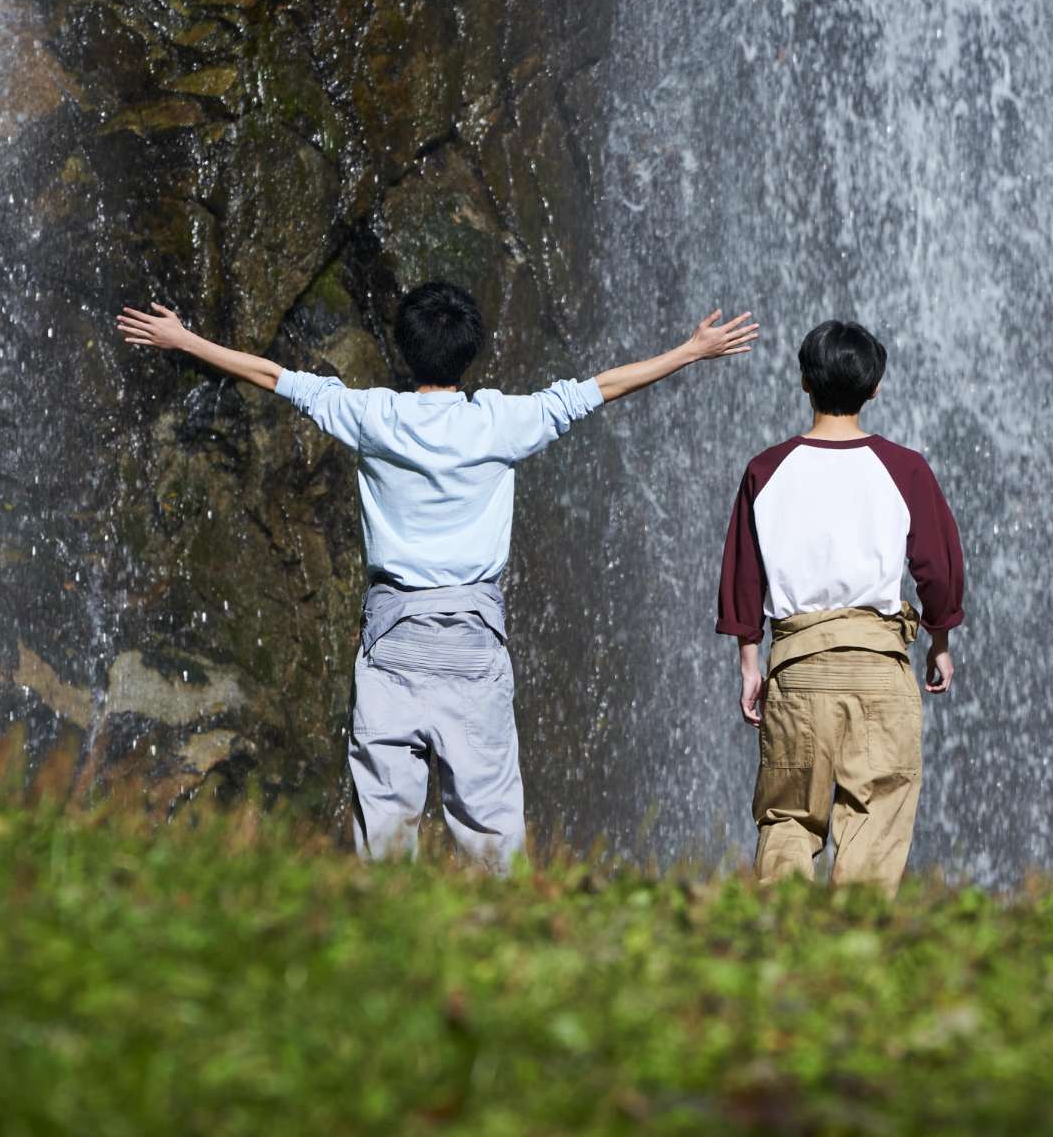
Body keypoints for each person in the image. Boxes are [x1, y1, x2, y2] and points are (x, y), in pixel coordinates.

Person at [119, 282, 757, 869]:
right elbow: (600, 388)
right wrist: (690, 350)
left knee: (384, 844)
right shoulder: (500, 422)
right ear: (470, 353)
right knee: (492, 844)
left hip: (393, 643)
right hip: (473, 644)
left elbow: (272, 376)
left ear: (405, 348)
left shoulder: (373, 416)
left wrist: (185, 339)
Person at [715, 318, 964, 893]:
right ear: (875, 388)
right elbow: (938, 565)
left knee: (787, 819)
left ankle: (780, 937)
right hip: (879, 668)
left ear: (805, 381)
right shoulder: (905, 468)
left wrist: (750, 662)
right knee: (875, 823)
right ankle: (856, 940)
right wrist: (940, 641)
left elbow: (743, 572)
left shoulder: (766, 469)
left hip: (797, 668)